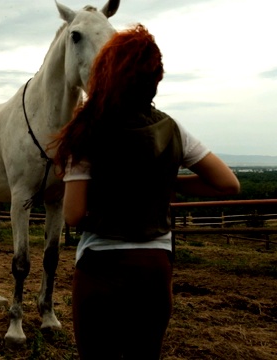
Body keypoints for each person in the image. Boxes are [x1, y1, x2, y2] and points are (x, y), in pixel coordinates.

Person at [50, 24, 240, 359]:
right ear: (155, 79)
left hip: (100, 269)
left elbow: (74, 214)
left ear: (106, 73)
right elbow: (227, 184)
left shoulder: (88, 131)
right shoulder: (171, 127)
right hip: (154, 269)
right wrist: (163, 185)